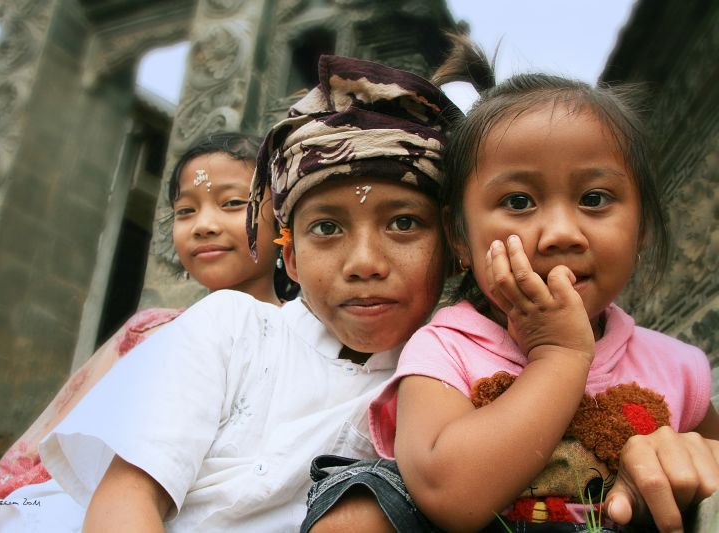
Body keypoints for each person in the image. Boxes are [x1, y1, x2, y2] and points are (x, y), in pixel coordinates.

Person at [0, 53, 473, 533]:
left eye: (404, 223)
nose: (364, 262)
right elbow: (123, 501)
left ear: (455, 246)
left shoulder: (446, 384)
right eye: (326, 228)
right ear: (292, 256)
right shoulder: (231, 329)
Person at [303, 70, 719, 532]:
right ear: (460, 237)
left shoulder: (679, 369)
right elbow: (450, 496)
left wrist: (697, 460)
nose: (561, 233)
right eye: (519, 202)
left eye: (595, 198)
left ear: (641, 227)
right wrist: (559, 356)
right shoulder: (447, 350)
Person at [0, 131, 296, 533]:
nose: (203, 225)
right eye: (186, 211)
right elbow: (43, 437)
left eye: (233, 204)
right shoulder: (151, 331)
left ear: (286, 220)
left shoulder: (309, 339)